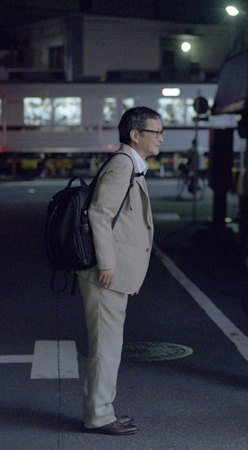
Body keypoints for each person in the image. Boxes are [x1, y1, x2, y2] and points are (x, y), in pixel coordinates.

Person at [78, 106, 162, 435]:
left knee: (109, 347)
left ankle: (103, 410)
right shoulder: (122, 164)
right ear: (135, 135)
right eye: (155, 132)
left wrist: (130, 273)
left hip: (114, 274)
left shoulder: (130, 165)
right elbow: (100, 213)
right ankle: (99, 415)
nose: (160, 138)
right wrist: (109, 264)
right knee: (105, 348)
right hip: (103, 274)